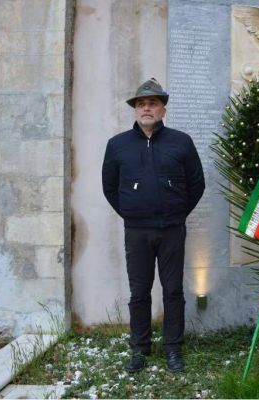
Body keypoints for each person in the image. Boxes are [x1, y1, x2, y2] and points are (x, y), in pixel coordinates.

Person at [102, 78, 205, 373]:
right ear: (135, 109)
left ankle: (173, 348)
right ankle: (140, 347)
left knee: (173, 290)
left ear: (163, 109)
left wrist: (177, 213)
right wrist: (132, 213)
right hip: (137, 231)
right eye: (141, 103)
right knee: (139, 291)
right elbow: (109, 187)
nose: (146, 108)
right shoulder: (118, 145)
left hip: (172, 229)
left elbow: (197, 183)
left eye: (153, 103)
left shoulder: (181, 142)